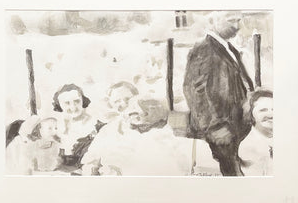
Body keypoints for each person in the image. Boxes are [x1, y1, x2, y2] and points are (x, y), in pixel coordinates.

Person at [183, 11, 254, 176]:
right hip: (220, 130)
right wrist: (215, 127)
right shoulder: (203, 49)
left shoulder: (229, 48)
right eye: (231, 21)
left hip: (234, 128)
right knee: (232, 175)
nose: (237, 26)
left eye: (238, 21)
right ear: (213, 20)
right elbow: (194, 91)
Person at [81, 98, 213, 176]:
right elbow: (89, 163)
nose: (125, 106)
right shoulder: (110, 130)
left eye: (127, 100)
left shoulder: (175, 140)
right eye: (119, 102)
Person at [52, 84, 105, 168]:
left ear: (83, 101)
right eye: (67, 103)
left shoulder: (97, 126)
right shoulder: (54, 128)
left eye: (77, 101)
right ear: (59, 104)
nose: (73, 107)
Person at [238, 89, 273, 176]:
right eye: (263, 110)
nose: (271, 115)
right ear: (251, 114)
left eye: (274, 109)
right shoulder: (248, 148)